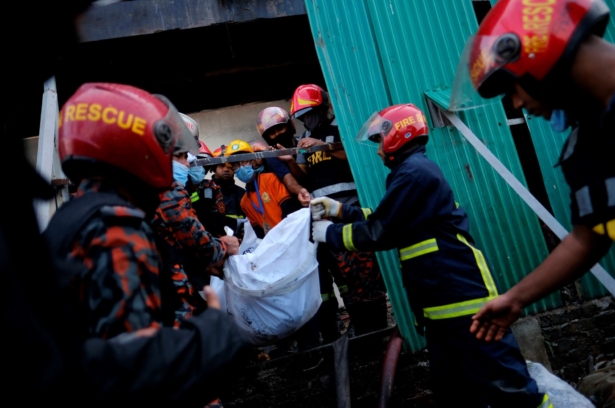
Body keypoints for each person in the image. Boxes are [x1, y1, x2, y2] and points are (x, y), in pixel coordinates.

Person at [310, 103, 551, 408]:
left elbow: (382, 231)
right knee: (453, 392)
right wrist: (343, 211)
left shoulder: (414, 174)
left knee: (509, 386)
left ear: (396, 136)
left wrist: (329, 234)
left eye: (378, 143)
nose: (377, 151)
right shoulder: (411, 172)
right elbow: (392, 217)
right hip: (442, 308)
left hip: (464, 303)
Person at [43, 82, 247, 404]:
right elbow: (138, 367)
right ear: (132, 148)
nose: (173, 161)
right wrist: (210, 332)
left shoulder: (71, 217)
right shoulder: (116, 227)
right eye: (169, 151)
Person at [451, 0, 615, 342]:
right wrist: (516, 298)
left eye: (511, 89)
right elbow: (590, 236)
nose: (516, 104)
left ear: (534, 56)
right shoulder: (591, 145)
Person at [289, 84, 388, 339]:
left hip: (350, 207)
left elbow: (356, 155)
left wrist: (323, 146)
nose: (306, 119)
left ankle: (376, 325)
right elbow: (304, 173)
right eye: (302, 116)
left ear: (323, 107)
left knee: (365, 267)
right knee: (345, 270)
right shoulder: (305, 137)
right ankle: (360, 324)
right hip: (326, 213)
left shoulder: (338, 128)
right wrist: (291, 160)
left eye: (310, 112)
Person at [224, 140, 301, 238]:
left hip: (291, 235)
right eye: (235, 164)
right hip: (273, 246)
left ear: (253, 161)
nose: (241, 167)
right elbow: (258, 232)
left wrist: (284, 237)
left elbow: (289, 209)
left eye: (244, 161)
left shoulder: (271, 179)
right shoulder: (244, 202)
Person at [255, 107, 311, 207]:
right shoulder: (273, 156)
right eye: (272, 133)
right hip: (298, 204)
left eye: (280, 129)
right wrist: (302, 191)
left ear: (290, 126)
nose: (278, 134)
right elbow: (290, 183)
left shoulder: (304, 142)